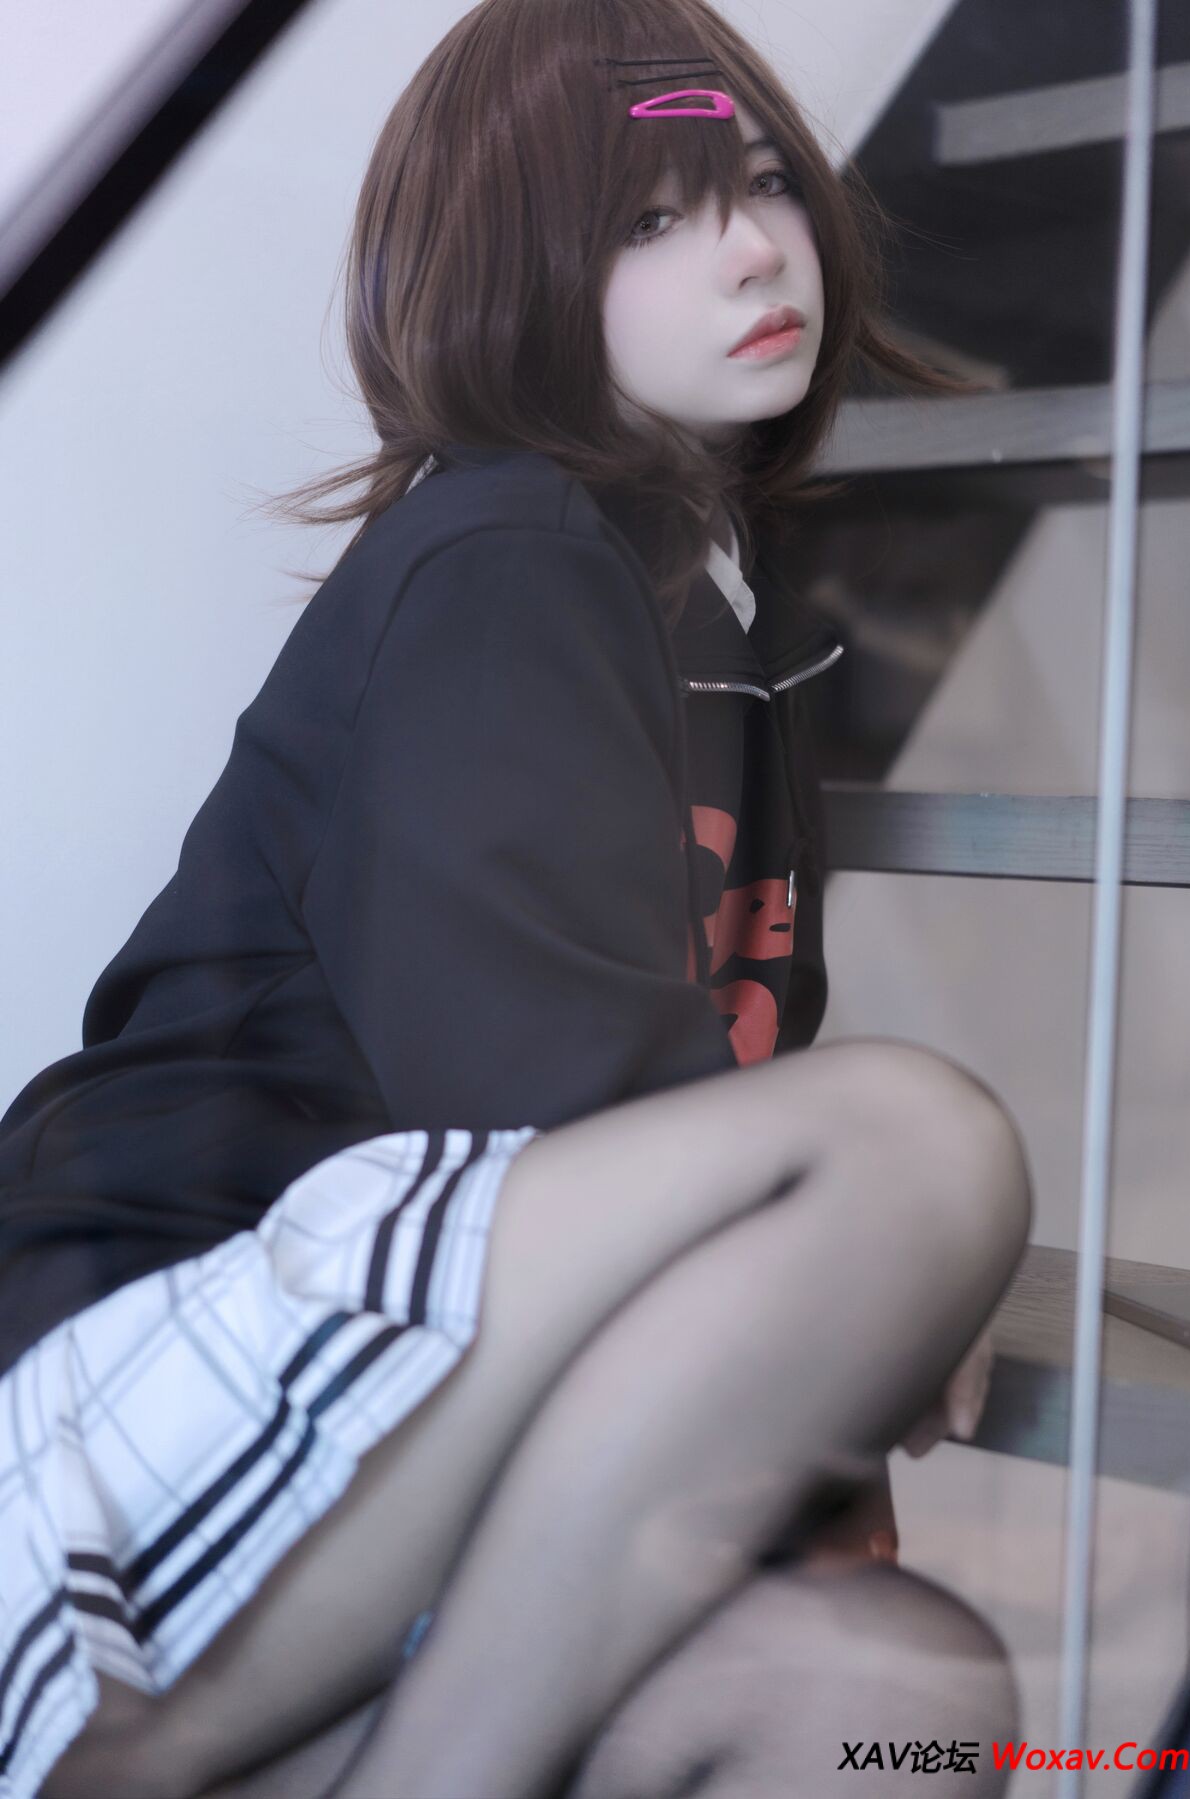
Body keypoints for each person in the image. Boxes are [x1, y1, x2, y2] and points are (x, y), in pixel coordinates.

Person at [2, 1, 1033, 1794]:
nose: (751, 249)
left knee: (898, 1701)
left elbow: (694, 1103)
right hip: (134, 1403)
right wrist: (885, 1280)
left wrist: (846, 1322)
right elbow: (553, 1096)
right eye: (650, 219)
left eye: (767, 184)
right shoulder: (506, 550)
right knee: (918, 1145)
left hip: (365, 1451)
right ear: (511, 278)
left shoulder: (717, 625)